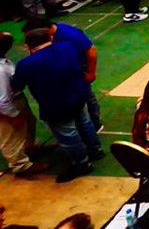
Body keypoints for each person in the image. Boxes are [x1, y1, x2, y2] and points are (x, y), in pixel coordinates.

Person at [11, 27, 103, 183]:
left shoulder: (26, 64)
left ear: (27, 46)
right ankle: (96, 150)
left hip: (56, 104)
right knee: (85, 123)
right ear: (51, 39)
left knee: (69, 135)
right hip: (79, 94)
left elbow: (16, 84)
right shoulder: (67, 47)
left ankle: (82, 164)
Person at [0, 32, 50, 178]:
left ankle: (29, 148)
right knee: (11, 135)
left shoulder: (4, 62)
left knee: (28, 124)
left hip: (16, 100)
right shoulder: (0, 70)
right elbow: (1, 100)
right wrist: (13, 115)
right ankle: (20, 166)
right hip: (8, 106)